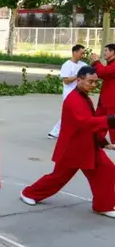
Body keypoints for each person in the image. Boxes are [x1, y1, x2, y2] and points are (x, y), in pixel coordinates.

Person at [20, 66, 115, 218]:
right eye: (90, 82)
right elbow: (86, 122)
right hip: (73, 149)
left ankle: (103, 205)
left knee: (107, 170)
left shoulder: (84, 96)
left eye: (96, 82)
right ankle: (29, 193)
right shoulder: (73, 99)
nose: (93, 85)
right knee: (58, 177)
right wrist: (109, 120)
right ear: (79, 79)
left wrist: (102, 141)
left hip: (88, 147)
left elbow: (90, 124)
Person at [48, 44, 87, 139]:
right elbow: (66, 80)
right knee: (69, 113)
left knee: (79, 113)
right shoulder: (67, 65)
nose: (83, 55)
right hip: (69, 93)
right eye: (81, 53)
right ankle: (55, 132)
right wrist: (77, 76)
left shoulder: (83, 65)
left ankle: (75, 131)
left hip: (81, 93)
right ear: (75, 52)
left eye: (84, 53)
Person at [91, 44, 115, 141]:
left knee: (111, 122)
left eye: (106, 51)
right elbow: (100, 74)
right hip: (105, 99)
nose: (104, 53)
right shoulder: (110, 64)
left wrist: (97, 61)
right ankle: (95, 139)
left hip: (112, 100)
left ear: (113, 52)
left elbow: (103, 72)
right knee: (98, 120)